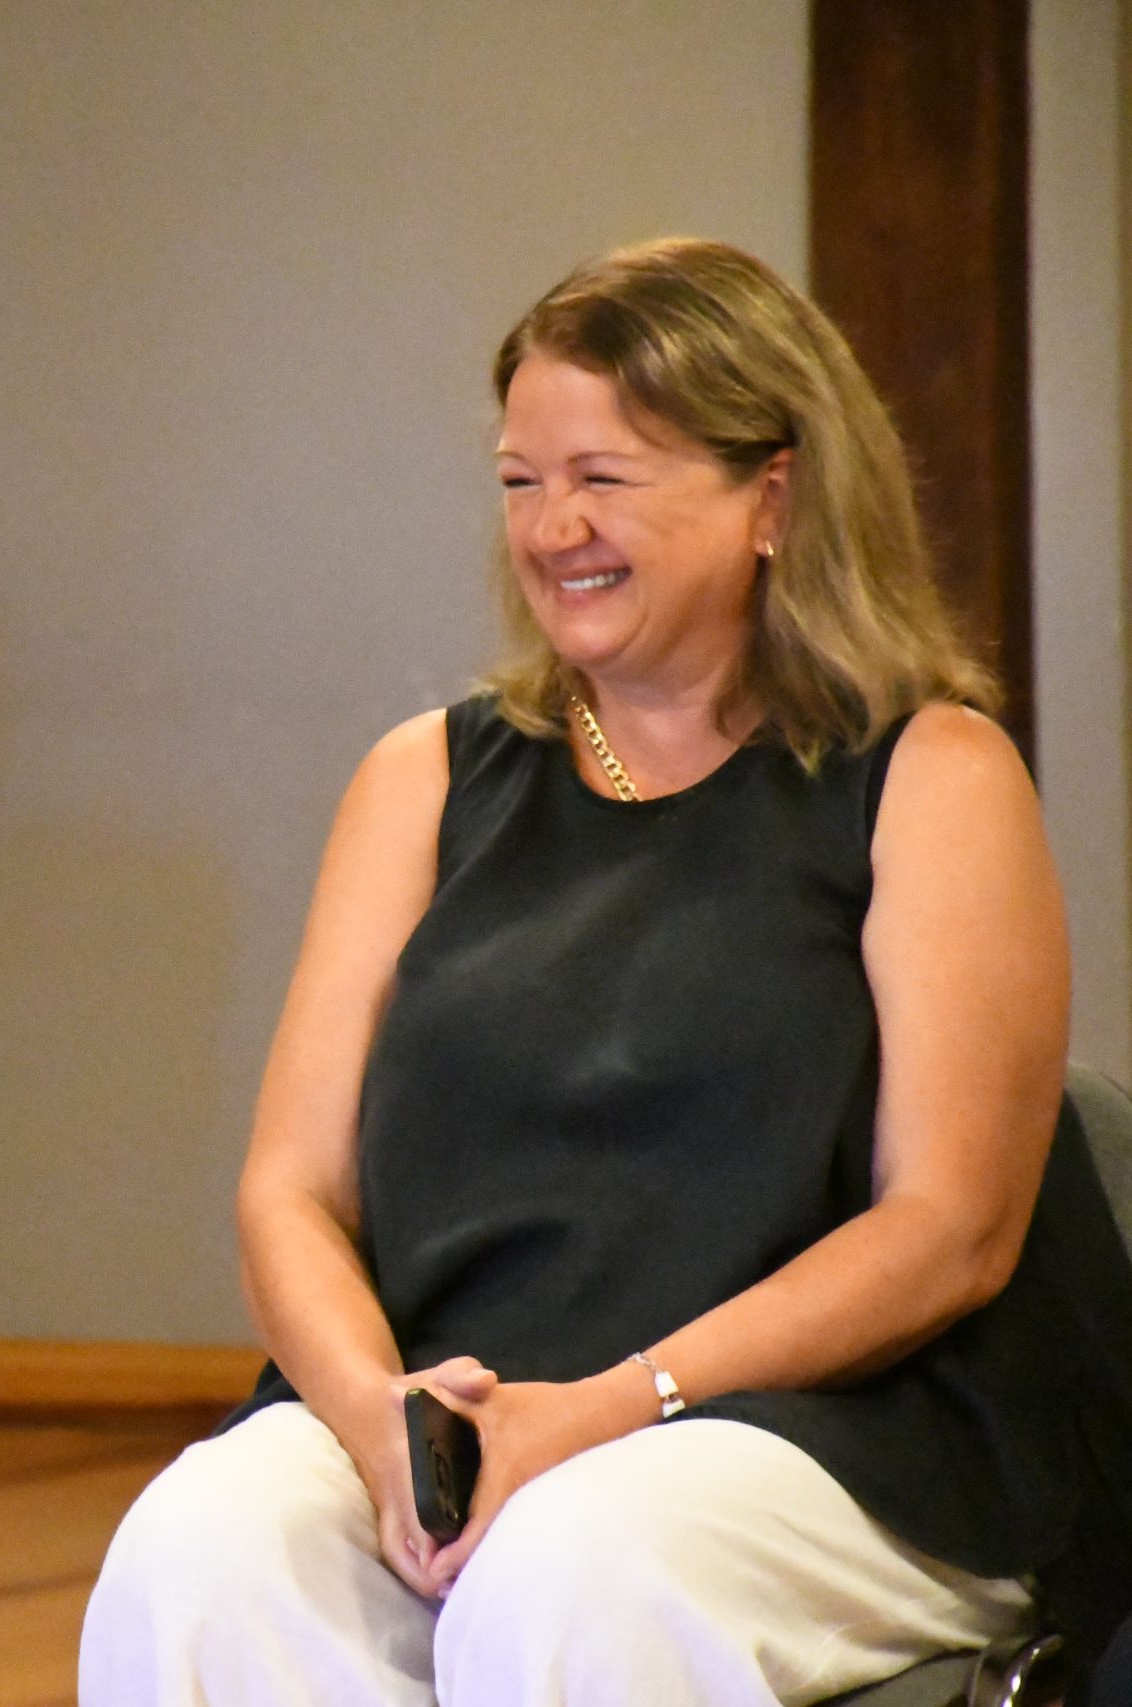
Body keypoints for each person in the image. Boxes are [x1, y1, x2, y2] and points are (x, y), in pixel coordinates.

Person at [80, 238, 1132, 1706]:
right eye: (522, 480)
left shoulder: (931, 775)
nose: (553, 526)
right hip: (472, 1412)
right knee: (197, 1552)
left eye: (605, 478)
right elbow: (290, 1191)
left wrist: (614, 1407)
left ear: (772, 498)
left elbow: (951, 1228)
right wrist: (376, 1415)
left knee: (570, 1567)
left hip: (841, 1434)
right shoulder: (422, 779)